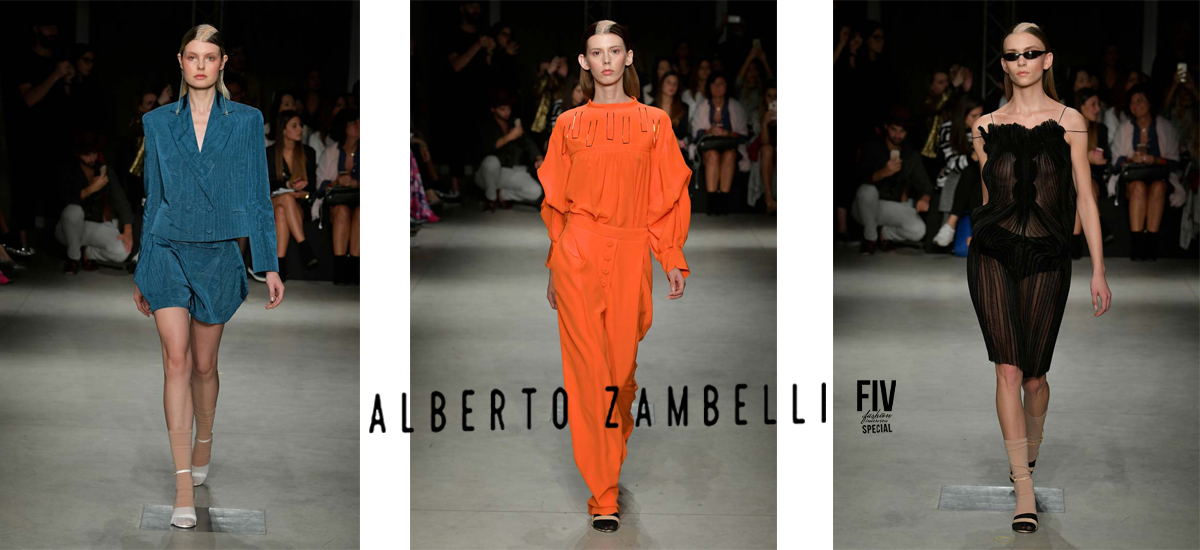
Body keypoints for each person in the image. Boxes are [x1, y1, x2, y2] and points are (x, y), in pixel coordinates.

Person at [538, 19, 692, 534]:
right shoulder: (568, 126)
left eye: (615, 51)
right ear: (584, 63)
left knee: (620, 376)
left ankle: (612, 444)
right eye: (596, 52)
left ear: (629, 58)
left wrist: (670, 254)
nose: (606, 60)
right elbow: (556, 203)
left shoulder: (654, 124)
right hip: (577, 253)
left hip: (629, 255)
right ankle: (603, 494)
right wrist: (553, 268)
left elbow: (668, 194)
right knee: (589, 378)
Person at [131, 24, 284, 530]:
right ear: (180, 61)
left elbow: (260, 195)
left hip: (218, 253)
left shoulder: (246, 122)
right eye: (192, 56)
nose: (200, 64)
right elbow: (152, 195)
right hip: (168, 250)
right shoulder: (156, 122)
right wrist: (142, 268)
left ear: (223, 64)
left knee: (202, 365)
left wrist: (269, 262)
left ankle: (204, 442)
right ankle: (180, 483)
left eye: (210, 56)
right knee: (175, 361)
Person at [967, 22, 1112, 535]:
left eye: (1030, 53)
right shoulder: (984, 126)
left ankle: (1031, 448)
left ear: (1047, 59)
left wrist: (1097, 268)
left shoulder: (1071, 121)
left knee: (1035, 376)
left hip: (1049, 255)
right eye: (1011, 55)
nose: (1021, 61)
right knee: (1007, 369)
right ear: (1003, 64)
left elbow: (1086, 200)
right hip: (991, 253)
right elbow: (990, 198)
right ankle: (1022, 490)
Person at [1107, 83, 1186, 260]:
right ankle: (1137, 245)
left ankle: (1151, 244)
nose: (1135, 106)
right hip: (1132, 177)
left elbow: (1174, 162)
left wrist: (1153, 160)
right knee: (1138, 187)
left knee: (1158, 187)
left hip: (1161, 176)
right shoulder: (1125, 128)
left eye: (1140, 101)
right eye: (1132, 102)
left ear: (1149, 103)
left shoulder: (1165, 127)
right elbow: (1116, 160)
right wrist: (1131, 159)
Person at [852, 106, 932, 255]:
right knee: (867, 191)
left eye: (902, 131)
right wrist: (883, 173)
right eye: (894, 129)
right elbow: (858, 179)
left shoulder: (911, 155)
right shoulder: (872, 147)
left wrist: (925, 198)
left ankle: (884, 234)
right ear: (886, 127)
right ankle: (870, 239)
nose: (897, 135)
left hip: (889, 208)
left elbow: (925, 184)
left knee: (918, 230)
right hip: (864, 206)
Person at [54, 129, 136, 273]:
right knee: (73, 211)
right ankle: (73, 258)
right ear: (78, 154)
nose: (92, 158)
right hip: (67, 227)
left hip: (91, 227)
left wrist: (128, 230)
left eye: (94, 153)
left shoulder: (103, 170)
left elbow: (121, 200)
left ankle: (87, 253)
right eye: (87, 154)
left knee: (122, 250)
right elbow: (63, 200)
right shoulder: (68, 169)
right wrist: (91, 189)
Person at [265, 109, 321, 280]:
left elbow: (313, 184)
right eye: (294, 126)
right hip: (272, 201)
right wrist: (287, 184)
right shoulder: (270, 153)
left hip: (297, 204)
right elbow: (265, 184)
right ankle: (304, 247)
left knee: (283, 210)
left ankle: (279, 266)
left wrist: (303, 189)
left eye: (300, 126)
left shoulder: (308, 152)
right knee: (284, 201)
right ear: (283, 130)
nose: (300, 130)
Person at [475, 90, 545, 211]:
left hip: (505, 172)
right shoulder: (486, 124)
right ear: (493, 109)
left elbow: (527, 142)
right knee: (491, 161)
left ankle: (502, 195)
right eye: (502, 109)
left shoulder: (513, 123)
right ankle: (490, 199)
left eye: (508, 109)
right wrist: (509, 137)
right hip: (485, 173)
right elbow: (485, 148)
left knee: (535, 191)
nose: (507, 112)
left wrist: (539, 158)